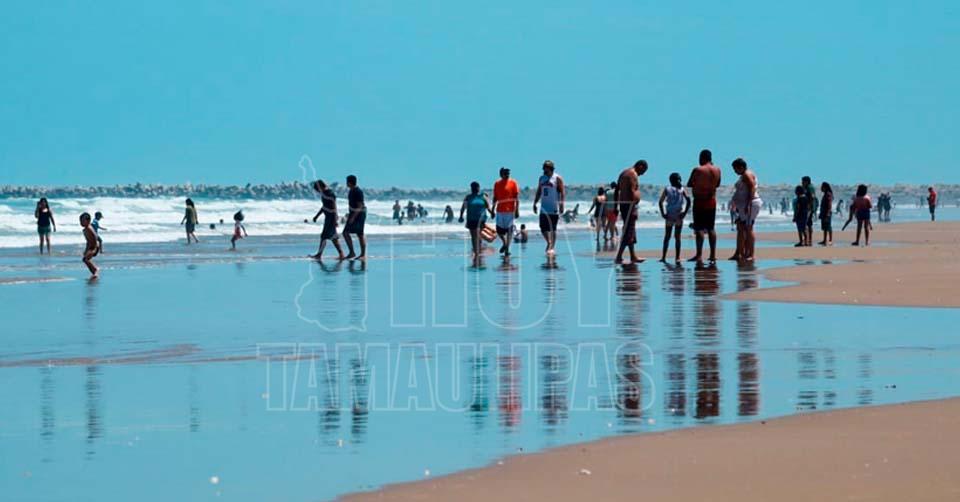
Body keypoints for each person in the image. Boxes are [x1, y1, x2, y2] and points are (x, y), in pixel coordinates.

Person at [686, 149, 721, 264]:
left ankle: (699, 255)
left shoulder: (698, 169)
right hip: (711, 200)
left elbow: (689, 183)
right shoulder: (717, 170)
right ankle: (713, 255)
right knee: (711, 228)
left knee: (699, 228)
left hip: (700, 201)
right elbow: (718, 184)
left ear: (702, 158)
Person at [614, 160, 649, 264]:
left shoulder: (623, 173)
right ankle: (619, 256)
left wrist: (616, 206)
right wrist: (637, 197)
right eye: (643, 171)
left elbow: (617, 190)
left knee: (630, 232)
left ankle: (633, 256)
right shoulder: (633, 175)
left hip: (623, 205)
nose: (642, 174)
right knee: (628, 232)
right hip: (629, 206)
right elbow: (632, 193)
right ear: (640, 166)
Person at [730, 158, 761, 262]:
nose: (735, 171)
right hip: (743, 205)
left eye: (735, 169)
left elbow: (752, 187)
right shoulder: (744, 175)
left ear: (741, 167)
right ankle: (740, 252)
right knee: (741, 226)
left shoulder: (747, 174)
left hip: (750, 203)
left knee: (748, 228)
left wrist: (748, 203)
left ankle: (751, 254)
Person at [532, 160, 564, 256]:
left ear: (550, 169)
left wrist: (561, 205)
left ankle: (552, 247)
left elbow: (562, 192)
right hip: (543, 207)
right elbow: (539, 191)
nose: (544, 171)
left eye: (545, 169)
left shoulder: (557, 178)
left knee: (553, 228)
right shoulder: (541, 178)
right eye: (543, 169)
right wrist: (535, 203)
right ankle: (549, 242)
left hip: (553, 207)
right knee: (542, 227)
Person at [658, 172, 690, 263]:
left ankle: (664, 257)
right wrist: (684, 213)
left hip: (669, 215)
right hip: (678, 215)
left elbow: (660, 202)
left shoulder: (667, 189)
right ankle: (677, 257)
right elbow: (689, 201)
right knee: (677, 237)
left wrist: (663, 213)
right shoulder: (682, 189)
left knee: (667, 237)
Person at [310, 180, 346, 260]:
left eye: (317, 189)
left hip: (331, 217)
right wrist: (317, 216)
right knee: (333, 237)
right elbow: (324, 207)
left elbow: (334, 207)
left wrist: (335, 219)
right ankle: (341, 254)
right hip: (328, 217)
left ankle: (319, 255)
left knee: (324, 236)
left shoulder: (330, 193)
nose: (318, 192)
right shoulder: (324, 194)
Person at [459, 181, 494, 262]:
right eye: (473, 187)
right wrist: (461, 216)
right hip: (471, 219)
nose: (475, 189)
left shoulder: (482, 197)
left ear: (478, 188)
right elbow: (463, 207)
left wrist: (492, 213)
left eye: (476, 187)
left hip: (481, 219)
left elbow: (488, 207)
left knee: (477, 235)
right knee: (474, 236)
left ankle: (478, 250)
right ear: (471, 188)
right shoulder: (468, 197)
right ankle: (476, 252)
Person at [492, 167, 521, 256]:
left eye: (508, 173)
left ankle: (507, 248)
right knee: (499, 231)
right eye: (505, 173)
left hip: (510, 211)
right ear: (501, 174)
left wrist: (517, 210)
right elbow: (495, 197)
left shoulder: (513, 183)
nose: (507, 175)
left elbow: (516, 198)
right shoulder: (497, 184)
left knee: (509, 231)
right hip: (500, 210)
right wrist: (492, 209)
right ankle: (504, 243)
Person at [343, 175, 367, 260]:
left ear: (350, 182)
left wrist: (353, 217)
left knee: (360, 234)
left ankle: (363, 254)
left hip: (360, 213)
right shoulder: (351, 191)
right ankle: (352, 252)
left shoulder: (358, 191)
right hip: (353, 213)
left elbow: (360, 206)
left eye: (347, 182)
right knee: (345, 233)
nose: (346, 183)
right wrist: (349, 214)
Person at [80, 213, 99, 277]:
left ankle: (95, 270)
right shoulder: (85, 229)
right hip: (90, 247)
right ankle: (93, 272)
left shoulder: (89, 228)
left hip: (94, 246)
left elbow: (95, 237)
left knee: (86, 259)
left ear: (88, 221)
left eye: (82, 221)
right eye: (80, 221)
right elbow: (88, 241)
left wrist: (95, 248)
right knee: (85, 259)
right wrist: (86, 249)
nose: (81, 222)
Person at [801, 176, 817, 246]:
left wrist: (809, 207)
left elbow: (812, 197)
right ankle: (809, 239)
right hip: (810, 208)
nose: (802, 183)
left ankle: (807, 239)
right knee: (808, 224)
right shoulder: (808, 187)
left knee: (806, 224)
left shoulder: (809, 187)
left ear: (806, 181)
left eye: (803, 181)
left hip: (809, 208)